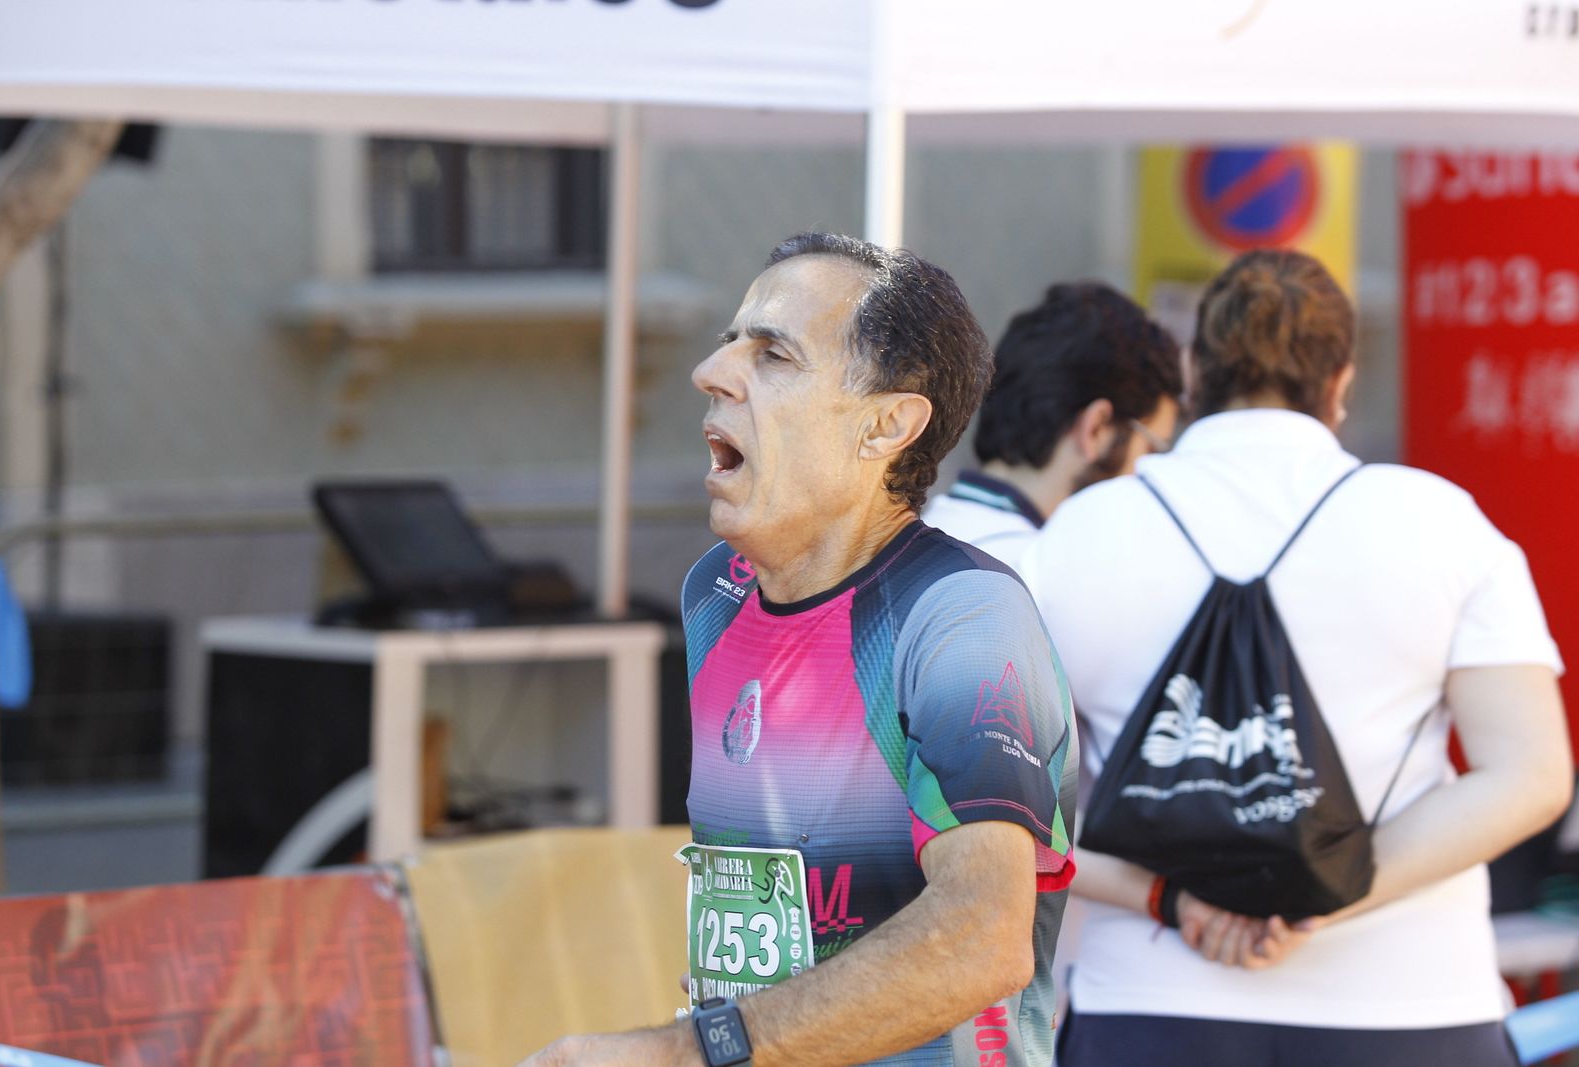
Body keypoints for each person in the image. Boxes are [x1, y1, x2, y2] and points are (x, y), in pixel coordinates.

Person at [521, 232, 1078, 1067]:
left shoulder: (961, 615)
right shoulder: (716, 593)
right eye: (729, 344)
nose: (714, 375)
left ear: (887, 425)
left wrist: (683, 1051)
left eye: (774, 354)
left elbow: (982, 938)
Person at [1019, 248, 1571, 1066]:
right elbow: (1531, 774)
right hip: (1412, 1004)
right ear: (1342, 382)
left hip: (1151, 1005)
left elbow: (1001, 805)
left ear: (1195, 370)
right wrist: (1321, 900)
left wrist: (1177, 902)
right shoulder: (1440, 523)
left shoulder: (1080, 534)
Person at [922, 282, 1182, 569]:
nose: (1148, 475)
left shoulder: (921, 540)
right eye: (1151, 449)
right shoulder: (1036, 582)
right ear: (1096, 428)